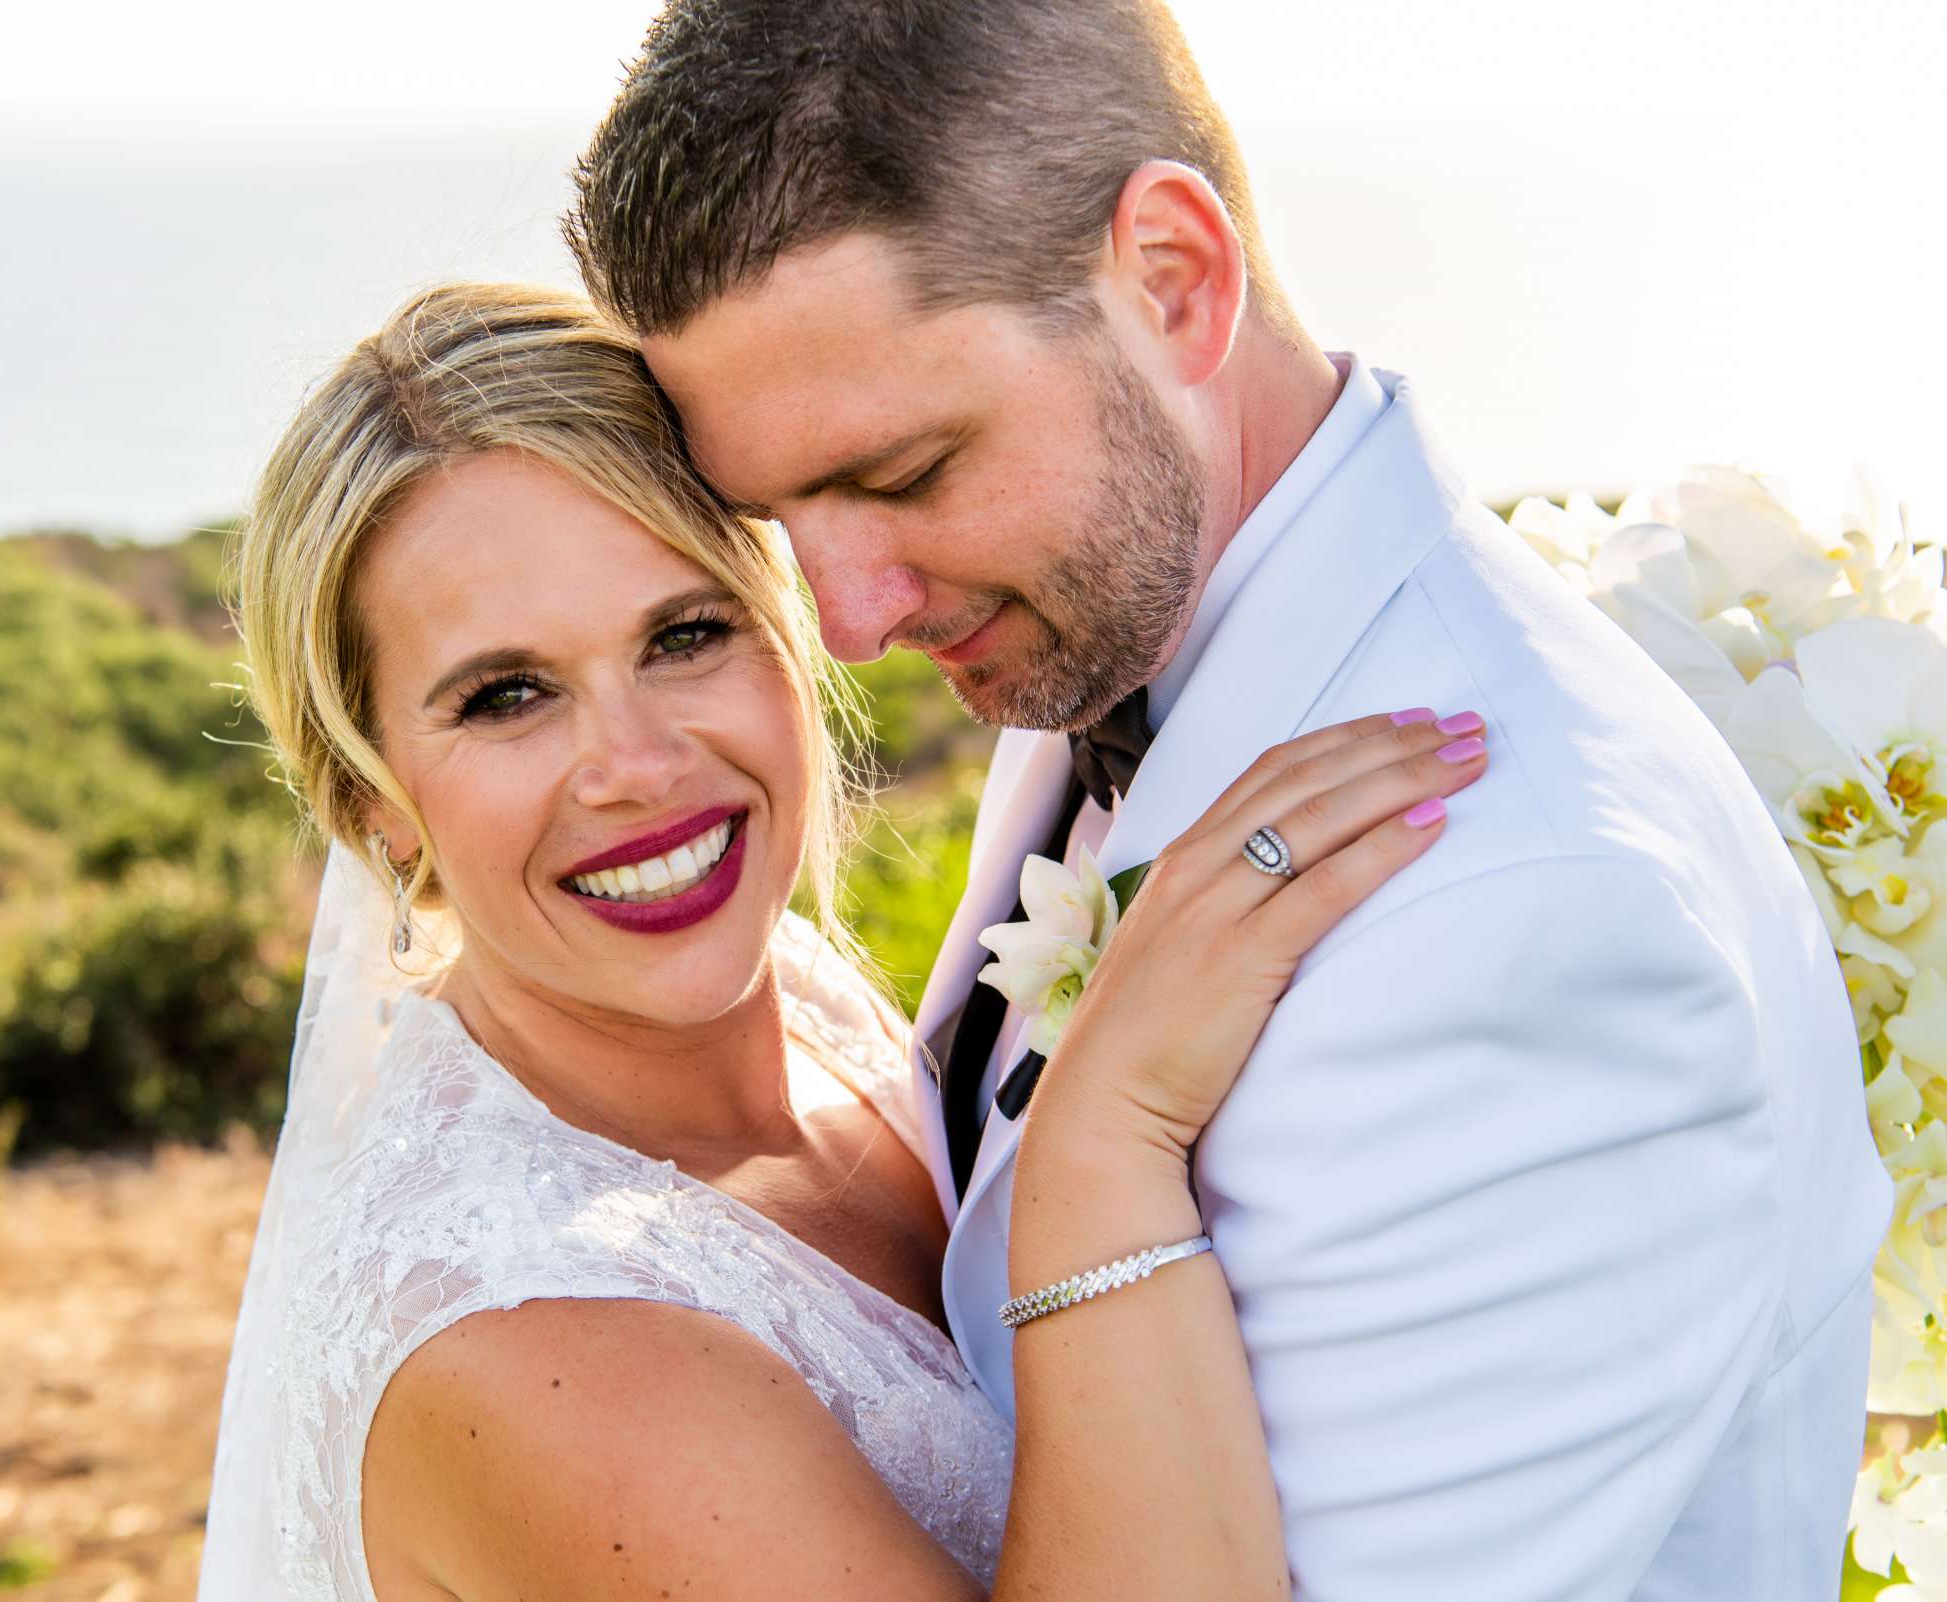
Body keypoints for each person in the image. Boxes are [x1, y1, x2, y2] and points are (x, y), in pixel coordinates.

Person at [561, 3, 1892, 1598]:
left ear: (1174, 280)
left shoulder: (1520, 916)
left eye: (906, 473)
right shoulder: (1114, 635)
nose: (849, 616)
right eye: (779, 512)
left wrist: (1097, 1162)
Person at [193, 282, 1485, 1600]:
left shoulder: (803, 1001)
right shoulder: (541, 1345)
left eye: (684, 634)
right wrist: (1106, 1140)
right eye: (506, 696)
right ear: (371, 795)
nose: (636, 768)